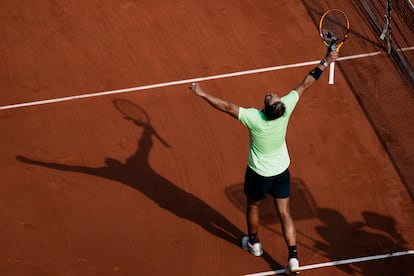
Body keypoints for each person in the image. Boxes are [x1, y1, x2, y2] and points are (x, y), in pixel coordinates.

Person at [189, 49, 338, 274]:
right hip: (281, 172)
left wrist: (202, 93)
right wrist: (325, 61)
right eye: (274, 96)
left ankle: (254, 243)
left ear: (267, 109)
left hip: (258, 174)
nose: (272, 94)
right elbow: (306, 84)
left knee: (253, 204)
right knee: (285, 213)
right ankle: (294, 258)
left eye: (271, 97)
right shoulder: (285, 110)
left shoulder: (254, 118)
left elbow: (226, 107)